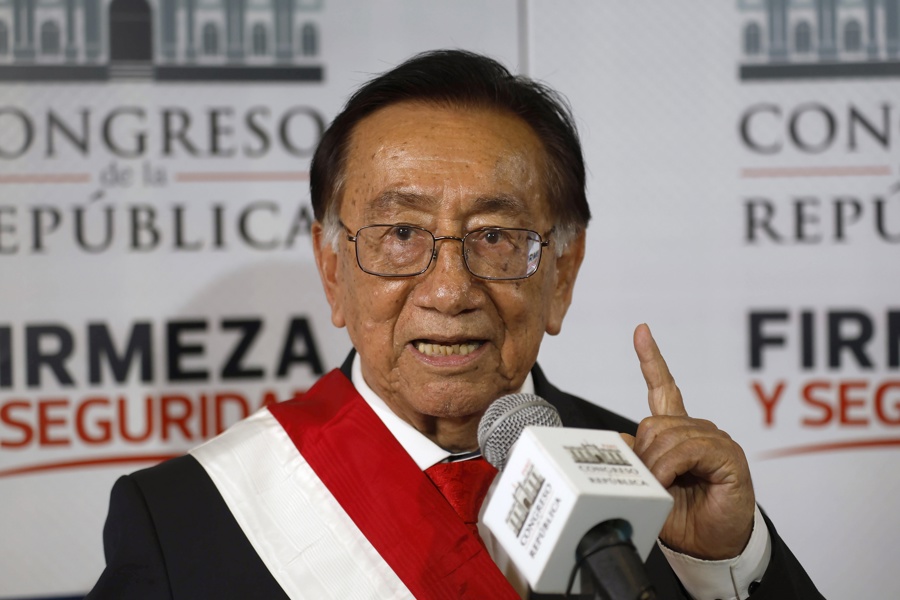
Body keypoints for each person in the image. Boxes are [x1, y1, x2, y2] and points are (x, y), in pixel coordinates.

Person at [86, 50, 822, 599]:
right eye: (400, 234)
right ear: (332, 270)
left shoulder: (657, 492)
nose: (448, 288)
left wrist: (727, 565)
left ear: (561, 273)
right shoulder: (187, 519)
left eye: (495, 238)